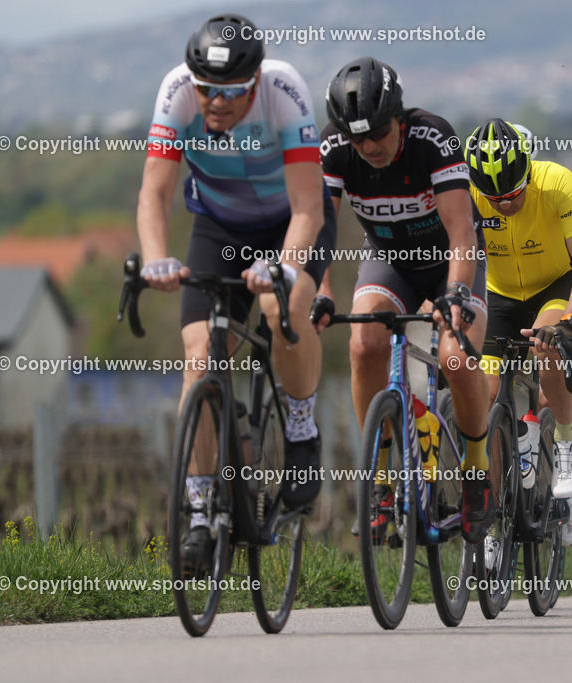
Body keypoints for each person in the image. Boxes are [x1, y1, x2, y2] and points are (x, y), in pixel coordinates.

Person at [136, 13, 335, 576]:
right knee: (200, 357)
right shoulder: (177, 92)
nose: (216, 102)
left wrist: (284, 267)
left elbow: (309, 207)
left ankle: (301, 431)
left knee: (281, 308)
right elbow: (154, 193)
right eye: (207, 90)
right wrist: (155, 257)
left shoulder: (284, 90)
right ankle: (200, 515)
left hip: (290, 224)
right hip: (219, 228)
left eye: (230, 92)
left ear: (255, 82)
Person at [312, 57, 494, 543]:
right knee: (364, 345)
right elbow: (319, 230)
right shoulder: (333, 148)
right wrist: (322, 290)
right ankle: (380, 483)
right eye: (358, 140)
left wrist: (456, 293)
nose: (369, 147)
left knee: (456, 359)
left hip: (451, 261)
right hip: (390, 260)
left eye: (378, 133)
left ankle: (476, 473)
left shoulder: (433, 138)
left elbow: (462, 232)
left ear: (399, 118)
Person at [464, 118, 572, 549]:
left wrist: (570, 324)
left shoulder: (558, 183)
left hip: (556, 288)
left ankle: (565, 444)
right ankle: (492, 514)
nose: (504, 204)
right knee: (483, 395)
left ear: (528, 170)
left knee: (547, 362)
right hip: (499, 295)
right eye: (494, 199)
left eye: (513, 194)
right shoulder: (465, 192)